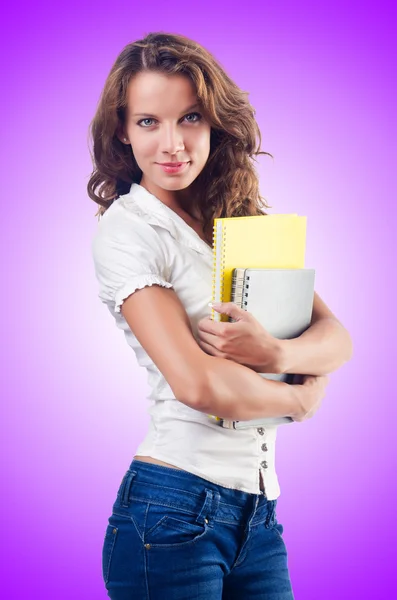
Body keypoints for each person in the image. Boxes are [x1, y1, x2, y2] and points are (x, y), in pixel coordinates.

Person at [89, 32, 352, 600]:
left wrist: (276, 354)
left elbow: (335, 338)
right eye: (148, 122)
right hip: (171, 510)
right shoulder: (129, 229)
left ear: (214, 124)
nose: (173, 143)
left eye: (189, 118)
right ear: (121, 130)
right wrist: (298, 398)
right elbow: (197, 383)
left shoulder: (237, 220)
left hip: (259, 515)